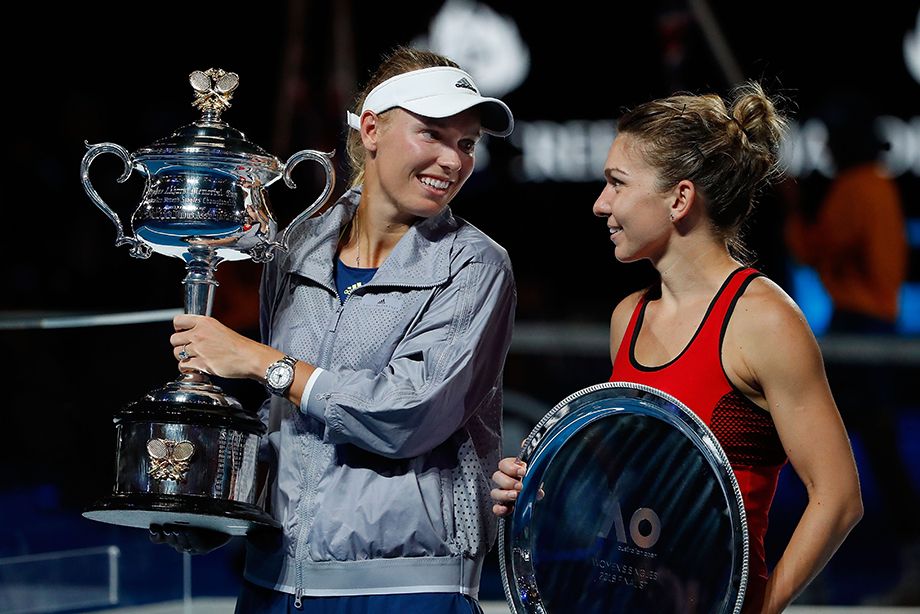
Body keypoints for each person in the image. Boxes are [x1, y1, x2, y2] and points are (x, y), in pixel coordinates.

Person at [150, 46, 517, 613]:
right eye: (433, 134)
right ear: (371, 129)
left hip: (408, 590)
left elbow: (411, 414)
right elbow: (284, 422)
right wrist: (210, 494)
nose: (452, 159)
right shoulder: (297, 246)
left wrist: (262, 363)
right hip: (273, 581)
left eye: (466, 144)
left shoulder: (475, 265)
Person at [491, 83, 863, 614]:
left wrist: (757, 610)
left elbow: (839, 498)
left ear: (679, 198)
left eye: (617, 184)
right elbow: (631, 493)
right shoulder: (629, 318)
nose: (600, 205)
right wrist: (541, 485)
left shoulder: (766, 322)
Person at [785, 93, 917, 605]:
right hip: (872, 324)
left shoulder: (856, 188)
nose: (826, 151)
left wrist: (795, 213)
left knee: (816, 443)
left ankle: (814, 559)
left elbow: (816, 250)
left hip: (858, 326)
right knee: (865, 444)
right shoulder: (879, 186)